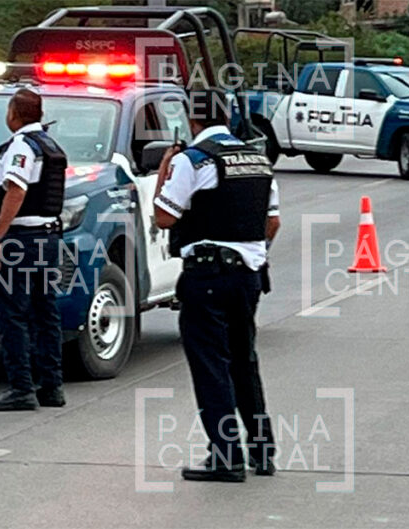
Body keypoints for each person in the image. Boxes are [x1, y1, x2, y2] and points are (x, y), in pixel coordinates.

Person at [153, 89, 280, 482]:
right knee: (244, 360)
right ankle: (262, 451)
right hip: (248, 276)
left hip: (207, 276)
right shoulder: (258, 160)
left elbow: (164, 217)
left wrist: (165, 169)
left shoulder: (192, 160)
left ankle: (226, 456)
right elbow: (272, 222)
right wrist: (249, 251)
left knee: (211, 366)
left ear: (193, 122)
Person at [0, 88, 67, 411]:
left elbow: (16, 191)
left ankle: (21, 388)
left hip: (21, 240)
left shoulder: (22, 146)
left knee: (12, 314)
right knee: (46, 313)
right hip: (48, 238)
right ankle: (52, 386)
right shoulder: (50, 144)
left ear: (14, 114)